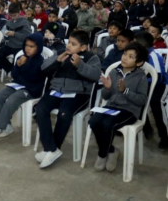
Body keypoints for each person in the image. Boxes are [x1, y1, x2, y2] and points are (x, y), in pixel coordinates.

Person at [35, 30, 101, 168]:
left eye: (73, 44)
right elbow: (43, 68)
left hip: (78, 94)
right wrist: (57, 60)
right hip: (56, 91)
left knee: (64, 114)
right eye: (69, 42)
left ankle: (53, 148)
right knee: (40, 108)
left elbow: (95, 76)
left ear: (83, 47)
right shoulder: (61, 54)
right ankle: (51, 149)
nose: (69, 46)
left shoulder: (91, 58)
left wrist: (80, 65)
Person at [89, 42, 149, 172]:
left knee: (107, 124)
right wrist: (108, 88)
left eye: (131, 56)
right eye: (125, 54)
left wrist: (125, 91)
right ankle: (111, 150)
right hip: (111, 106)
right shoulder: (115, 72)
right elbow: (105, 97)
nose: (125, 58)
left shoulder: (141, 77)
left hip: (129, 110)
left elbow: (142, 100)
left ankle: (102, 154)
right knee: (94, 121)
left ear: (138, 63)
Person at [0, 33, 46, 141]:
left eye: (31, 46)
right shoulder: (21, 57)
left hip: (31, 89)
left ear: (38, 47)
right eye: (26, 45)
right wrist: (18, 65)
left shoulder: (40, 61)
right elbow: (14, 75)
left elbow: (33, 78)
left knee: (12, 100)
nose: (28, 48)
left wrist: (24, 66)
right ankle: (7, 126)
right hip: (18, 85)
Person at [135, 31, 168, 149]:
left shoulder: (153, 56)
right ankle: (146, 128)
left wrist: (143, 83)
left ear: (142, 46)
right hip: (146, 84)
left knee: (155, 103)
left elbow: (158, 77)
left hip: (160, 85)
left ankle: (164, 135)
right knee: (137, 99)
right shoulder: (137, 55)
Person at [0, 3, 31, 73]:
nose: (12, 17)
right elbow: (6, 36)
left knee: (18, 60)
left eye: (14, 15)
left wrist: (14, 34)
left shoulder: (25, 23)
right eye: (11, 15)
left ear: (19, 12)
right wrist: (5, 35)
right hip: (10, 45)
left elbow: (27, 36)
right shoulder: (9, 22)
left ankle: (15, 71)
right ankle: (11, 70)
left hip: (20, 46)